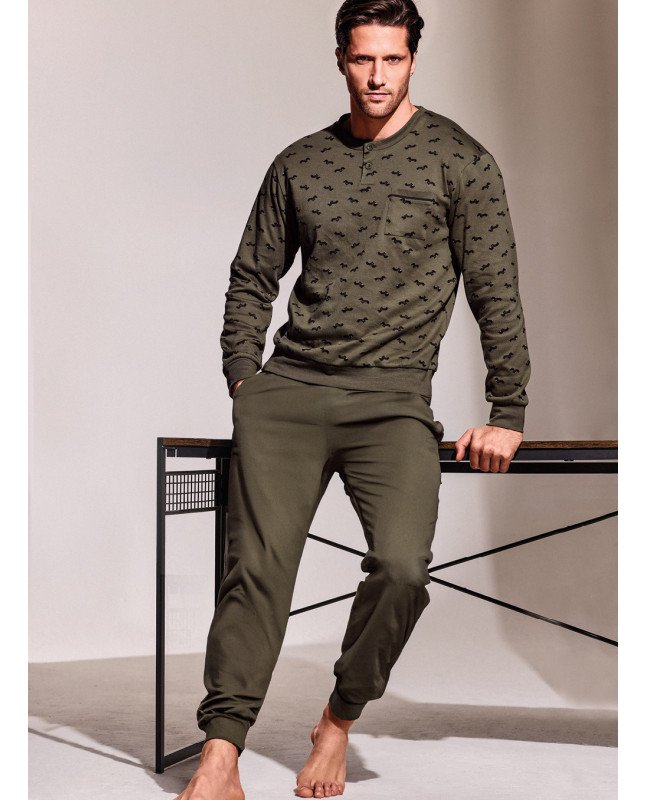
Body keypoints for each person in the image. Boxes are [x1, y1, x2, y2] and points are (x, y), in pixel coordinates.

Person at [176, 1, 531, 797]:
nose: (377, 76)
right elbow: (251, 276)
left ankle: (336, 720)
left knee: (403, 568)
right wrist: (244, 379)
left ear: (413, 60)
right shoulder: (300, 163)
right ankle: (221, 753)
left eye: (392, 59)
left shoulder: (460, 161)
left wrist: (507, 412)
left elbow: (496, 292)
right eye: (363, 58)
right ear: (341, 58)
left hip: (391, 402)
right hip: (288, 396)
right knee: (255, 573)